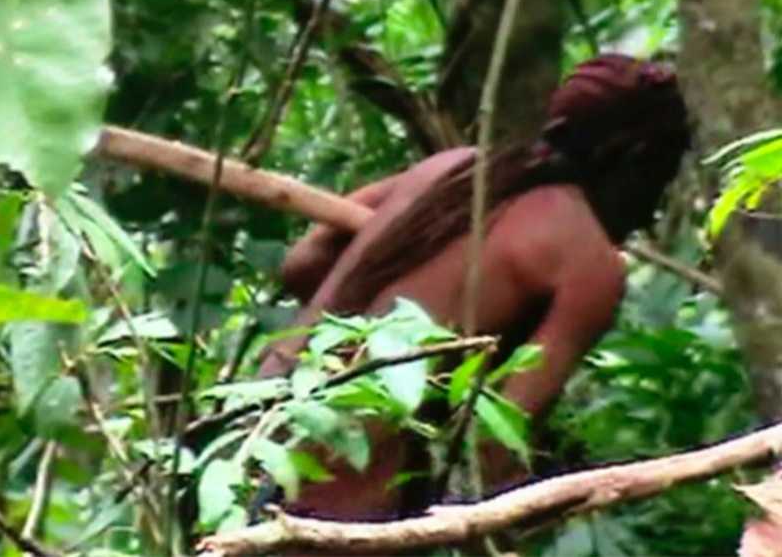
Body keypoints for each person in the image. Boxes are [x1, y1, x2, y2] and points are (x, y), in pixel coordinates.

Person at [259, 53, 692, 520]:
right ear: (628, 159)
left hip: (251, 434)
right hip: (341, 502)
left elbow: (302, 264)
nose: (654, 207)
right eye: (661, 178)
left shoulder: (451, 168)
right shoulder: (589, 264)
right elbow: (495, 446)